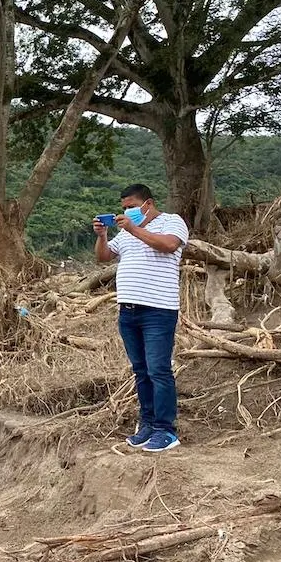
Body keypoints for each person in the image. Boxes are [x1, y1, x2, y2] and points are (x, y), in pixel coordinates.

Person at [93, 183, 189, 453]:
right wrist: (102, 235)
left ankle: (166, 430)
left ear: (147, 203)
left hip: (158, 310)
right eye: (124, 208)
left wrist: (133, 228)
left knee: (159, 370)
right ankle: (147, 424)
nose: (127, 212)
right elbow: (103, 257)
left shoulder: (171, 222)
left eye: (132, 207)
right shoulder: (123, 235)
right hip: (129, 311)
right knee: (141, 370)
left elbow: (170, 245)